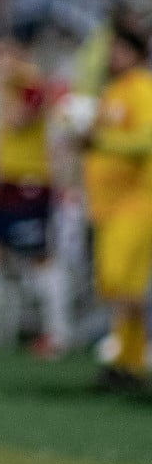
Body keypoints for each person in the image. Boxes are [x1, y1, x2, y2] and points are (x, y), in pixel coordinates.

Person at [0, 35, 71, 359]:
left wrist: (2, 88)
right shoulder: (14, 87)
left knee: (39, 257)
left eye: (3, 55)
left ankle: (58, 333)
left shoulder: (34, 86)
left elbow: (18, 120)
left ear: (21, 56)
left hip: (31, 183)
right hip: (6, 182)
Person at [81, 24, 152, 390]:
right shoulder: (112, 92)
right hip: (108, 206)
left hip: (137, 204)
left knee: (126, 286)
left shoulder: (142, 88)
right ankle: (127, 361)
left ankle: (129, 362)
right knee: (115, 286)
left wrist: (101, 142)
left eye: (119, 50)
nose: (112, 57)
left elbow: (146, 139)